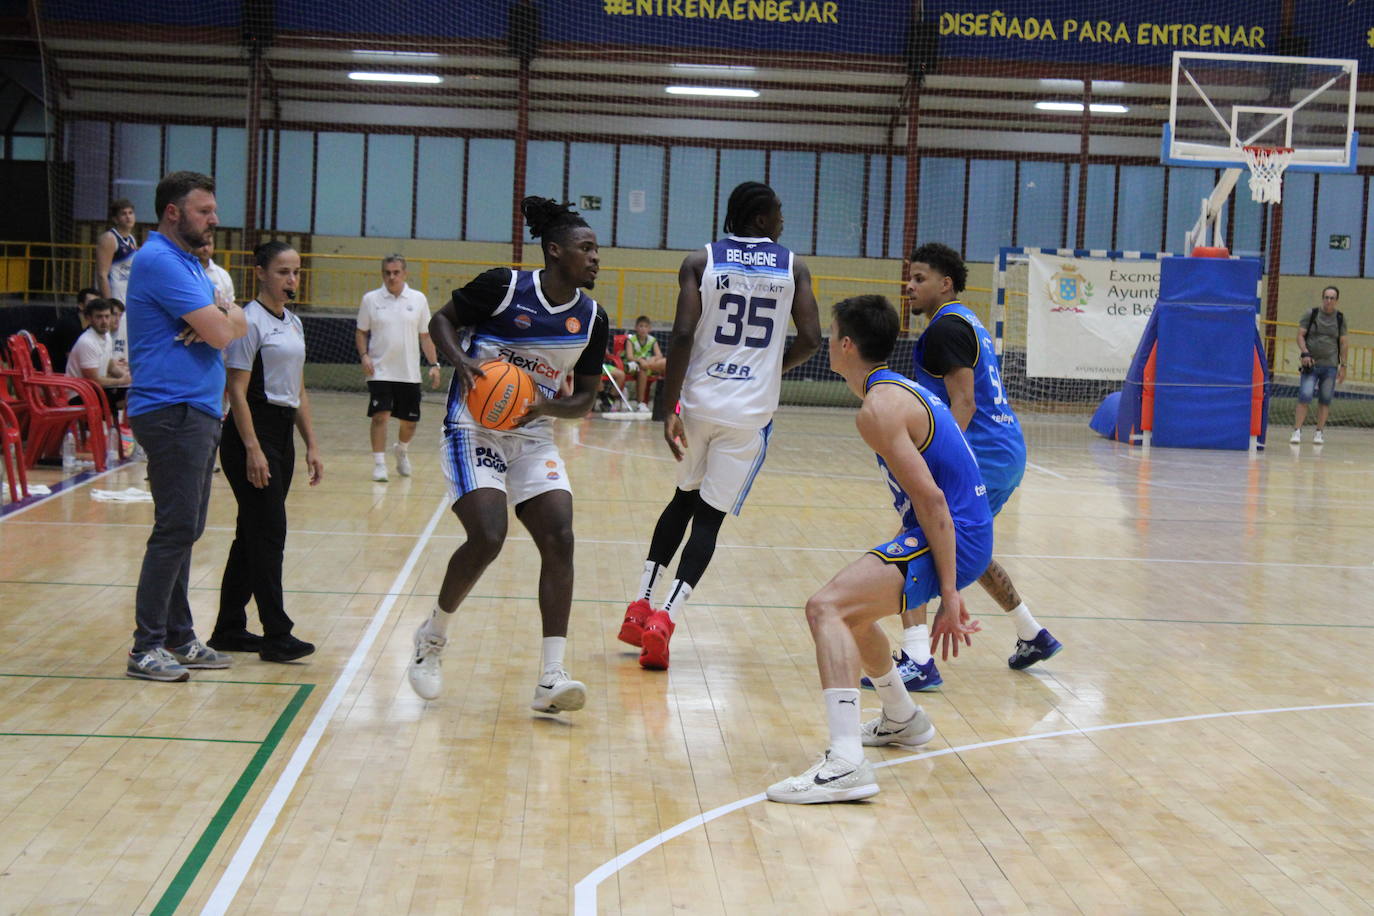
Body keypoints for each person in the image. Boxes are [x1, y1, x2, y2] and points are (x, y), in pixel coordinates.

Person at [766, 295, 991, 804]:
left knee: (826, 607)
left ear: (845, 345)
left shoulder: (877, 409)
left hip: (955, 530)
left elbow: (932, 499)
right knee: (855, 613)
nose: (827, 342)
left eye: (830, 334)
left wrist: (950, 592)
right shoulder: (901, 389)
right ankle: (901, 718)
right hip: (960, 527)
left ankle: (846, 763)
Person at [406, 197, 607, 715]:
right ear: (555, 251)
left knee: (560, 535)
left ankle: (550, 677)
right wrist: (464, 363)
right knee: (489, 535)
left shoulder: (591, 318)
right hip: (472, 427)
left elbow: (585, 396)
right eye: (586, 249)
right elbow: (440, 322)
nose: (595, 258)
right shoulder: (503, 287)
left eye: (596, 250)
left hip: (532, 432)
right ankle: (432, 636)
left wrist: (545, 407)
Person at [618, 181, 820, 670]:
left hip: (701, 404)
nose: (783, 222)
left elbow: (683, 333)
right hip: (748, 416)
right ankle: (666, 618)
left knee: (681, 501)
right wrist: (771, 368)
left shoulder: (700, 261)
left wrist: (669, 408)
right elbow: (812, 338)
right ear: (758, 219)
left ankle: (640, 605)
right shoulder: (793, 266)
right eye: (777, 214)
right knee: (709, 519)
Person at [873, 242, 1060, 684]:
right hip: (999, 451)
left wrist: (934, 456)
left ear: (946, 284)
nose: (910, 286)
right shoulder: (965, 321)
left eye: (920, 278)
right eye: (910, 277)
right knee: (961, 548)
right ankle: (1031, 633)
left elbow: (965, 402)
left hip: (983, 454)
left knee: (913, 545)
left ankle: (918, 660)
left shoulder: (945, 329)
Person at [124, 171, 247, 682]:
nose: (214, 219)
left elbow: (231, 322)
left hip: (194, 409)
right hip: (171, 410)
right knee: (174, 529)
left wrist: (223, 314)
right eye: (203, 211)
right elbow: (224, 332)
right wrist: (220, 317)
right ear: (173, 212)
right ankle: (145, 647)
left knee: (186, 528)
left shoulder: (191, 264)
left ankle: (178, 637)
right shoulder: (159, 260)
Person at [208, 241, 322, 662]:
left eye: (295, 272)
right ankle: (277, 632)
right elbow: (235, 388)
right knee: (270, 532)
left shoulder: (293, 322)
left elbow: (299, 387)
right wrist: (253, 448)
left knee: (252, 533)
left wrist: (310, 443)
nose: (291, 280)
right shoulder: (247, 321)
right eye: (282, 272)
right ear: (260, 273)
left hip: (282, 433)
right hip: (250, 434)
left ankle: (228, 627)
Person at [356, 255, 441, 481]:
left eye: (396, 272)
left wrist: (434, 364)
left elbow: (425, 336)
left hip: (408, 372)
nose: (391, 277)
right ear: (382, 274)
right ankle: (379, 464)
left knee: (410, 422)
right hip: (379, 370)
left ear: (405, 274)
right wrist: (364, 355)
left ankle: (401, 450)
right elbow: (361, 331)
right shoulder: (370, 299)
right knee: (380, 416)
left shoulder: (418, 299)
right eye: (387, 273)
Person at [1291, 286, 1349, 445]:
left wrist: (1343, 365)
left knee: (1325, 399)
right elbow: (1300, 335)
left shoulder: (1340, 319)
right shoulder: (1312, 314)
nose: (1328, 301)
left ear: (1336, 300)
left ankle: (1319, 432)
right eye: (1326, 297)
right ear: (1322, 298)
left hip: (1330, 366)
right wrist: (1305, 353)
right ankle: (1297, 430)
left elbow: (1343, 343)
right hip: (1311, 364)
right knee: (1305, 395)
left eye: (1332, 298)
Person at [65, 297, 129, 409]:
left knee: (137, 389)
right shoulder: (87, 342)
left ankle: (116, 425)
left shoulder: (107, 336)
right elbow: (94, 380)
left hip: (95, 390)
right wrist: (121, 381)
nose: (104, 321)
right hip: (81, 395)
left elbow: (110, 365)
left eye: (107, 316)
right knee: (134, 396)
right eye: (99, 317)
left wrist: (126, 377)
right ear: (88, 318)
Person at [41, 287, 97, 374]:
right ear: (81, 305)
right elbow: (72, 359)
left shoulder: (89, 326)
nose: (96, 307)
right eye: (92, 303)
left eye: (97, 303)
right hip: (52, 372)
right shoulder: (71, 325)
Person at [95, 198, 138, 303]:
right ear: (115, 219)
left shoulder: (132, 239)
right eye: (124, 214)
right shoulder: (109, 238)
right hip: (114, 297)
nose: (128, 217)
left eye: (130, 213)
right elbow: (102, 275)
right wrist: (109, 305)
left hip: (127, 296)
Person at [623, 314, 666, 411]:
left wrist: (653, 359)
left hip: (648, 365)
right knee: (642, 369)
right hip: (633, 365)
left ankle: (668, 402)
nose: (643, 329)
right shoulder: (631, 340)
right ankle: (641, 402)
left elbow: (659, 355)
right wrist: (640, 360)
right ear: (636, 328)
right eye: (641, 326)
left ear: (649, 329)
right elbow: (629, 357)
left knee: (665, 362)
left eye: (646, 326)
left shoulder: (652, 340)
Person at [196, 239, 236, 305]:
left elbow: (230, 304)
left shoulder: (223, 275)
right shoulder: (184, 272)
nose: (206, 248)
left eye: (209, 244)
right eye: (202, 244)